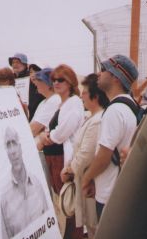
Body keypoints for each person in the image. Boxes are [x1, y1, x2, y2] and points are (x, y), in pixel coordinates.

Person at [81, 54, 139, 220]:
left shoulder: (114, 111)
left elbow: (103, 157)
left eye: (103, 70)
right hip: (121, 193)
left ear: (116, 77)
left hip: (109, 196)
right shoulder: (130, 105)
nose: (99, 74)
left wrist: (87, 178)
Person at [37, 64, 84, 238]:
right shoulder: (63, 103)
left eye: (61, 80)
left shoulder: (73, 102)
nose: (56, 83)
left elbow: (62, 132)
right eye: (54, 80)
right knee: (62, 202)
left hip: (62, 158)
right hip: (55, 158)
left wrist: (46, 137)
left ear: (70, 82)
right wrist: (47, 135)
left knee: (68, 202)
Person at [60, 74, 109, 239]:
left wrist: (68, 170)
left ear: (95, 96)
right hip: (85, 182)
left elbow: (85, 155)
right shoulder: (91, 118)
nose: (81, 95)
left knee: (95, 227)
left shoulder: (98, 121)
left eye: (85, 92)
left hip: (90, 184)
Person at [0, 126, 48, 239]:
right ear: (6, 152)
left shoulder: (37, 184)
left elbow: (48, 221)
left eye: (14, 143)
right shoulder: (5, 199)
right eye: (8, 145)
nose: (12, 151)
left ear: (20, 147)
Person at [8, 53, 44, 121]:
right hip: (16, 114)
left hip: (33, 115)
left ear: (25, 65)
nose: (14, 65)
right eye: (13, 62)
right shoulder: (10, 79)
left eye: (18, 62)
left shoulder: (32, 77)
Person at [30, 68, 61, 137]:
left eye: (39, 80)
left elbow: (34, 129)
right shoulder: (43, 102)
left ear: (48, 84)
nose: (36, 82)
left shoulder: (54, 100)